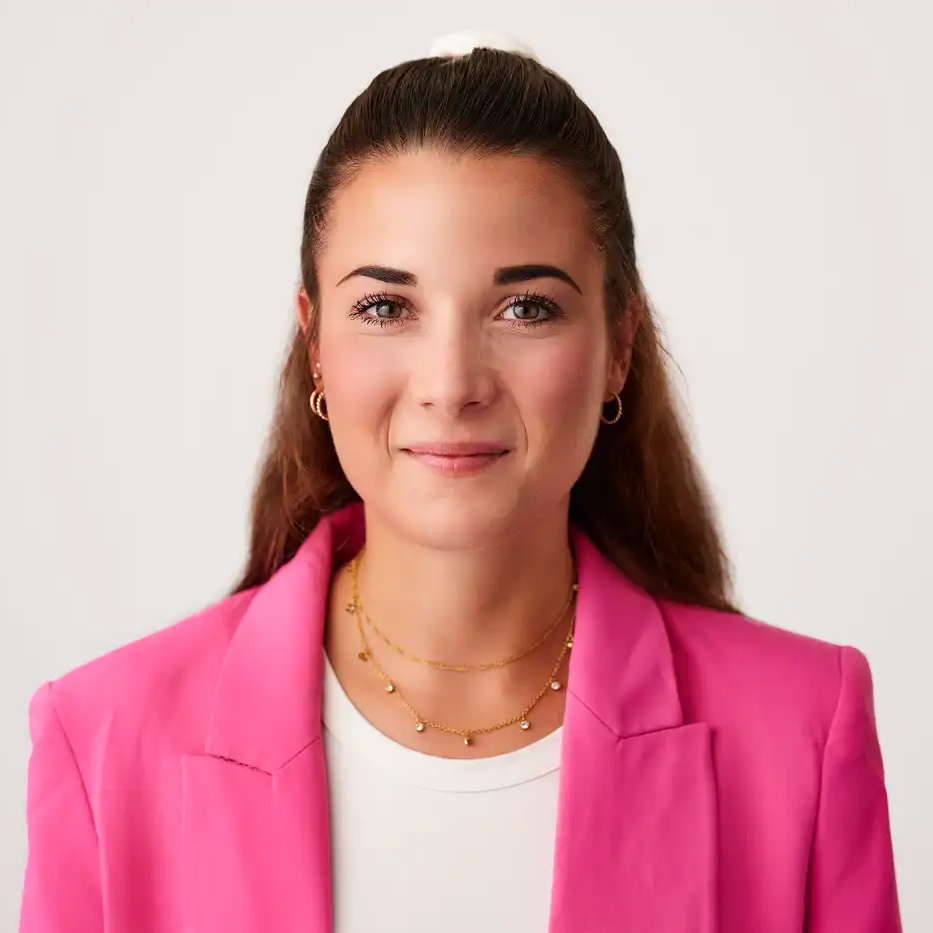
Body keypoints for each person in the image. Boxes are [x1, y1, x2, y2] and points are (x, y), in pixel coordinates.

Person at [18, 30, 902, 933]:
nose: (451, 384)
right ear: (314, 342)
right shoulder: (103, 740)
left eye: (525, 307)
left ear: (619, 346)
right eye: (385, 306)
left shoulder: (800, 732)